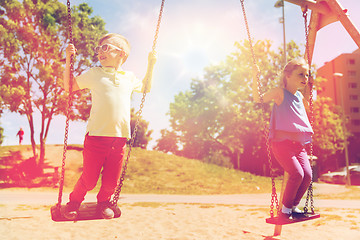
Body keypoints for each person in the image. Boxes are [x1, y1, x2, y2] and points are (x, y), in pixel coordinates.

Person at [63, 33, 156, 220]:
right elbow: (69, 86)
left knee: (111, 183)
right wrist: (68, 59)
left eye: (105, 47)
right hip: (96, 137)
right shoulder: (95, 74)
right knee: (89, 180)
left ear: (121, 53)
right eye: (98, 49)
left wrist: (151, 64)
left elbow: (145, 87)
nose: (99, 52)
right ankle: (74, 202)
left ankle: (104, 203)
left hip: (120, 139)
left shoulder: (128, 77)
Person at [252, 58, 313, 220]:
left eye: (307, 75)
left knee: (307, 175)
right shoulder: (279, 92)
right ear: (287, 75)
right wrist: (254, 75)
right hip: (282, 144)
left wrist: (312, 90)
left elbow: (303, 111)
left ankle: (293, 207)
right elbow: (258, 98)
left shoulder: (300, 96)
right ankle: (285, 211)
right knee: (297, 174)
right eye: (301, 74)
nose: (305, 78)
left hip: (298, 145)